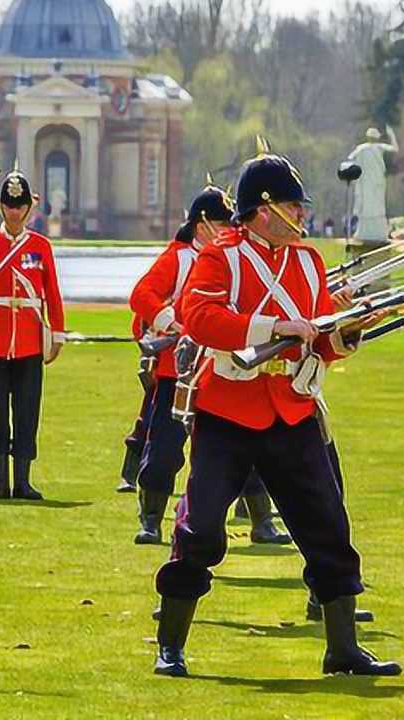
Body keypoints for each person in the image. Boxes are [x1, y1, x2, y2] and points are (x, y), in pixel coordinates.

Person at [151, 150, 399, 678]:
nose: (302, 215)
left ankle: (343, 649)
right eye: (293, 205)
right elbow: (201, 318)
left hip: (291, 410)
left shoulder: (308, 261)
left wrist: (347, 331)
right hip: (228, 411)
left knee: (328, 528)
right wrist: (273, 328)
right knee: (201, 533)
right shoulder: (221, 256)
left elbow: (318, 336)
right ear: (265, 209)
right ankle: (170, 644)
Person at [128, 179, 286, 545]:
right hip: (179, 369)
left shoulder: (238, 258)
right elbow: (143, 295)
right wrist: (174, 323)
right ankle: (151, 518)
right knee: (165, 449)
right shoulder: (179, 258)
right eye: (224, 224)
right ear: (203, 226)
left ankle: (262, 520)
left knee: (243, 445)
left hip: (224, 370)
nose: (232, 229)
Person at [0, 166, 66, 501]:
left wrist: (57, 335)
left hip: (29, 341)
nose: (15, 211)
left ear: (28, 209)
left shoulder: (40, 246)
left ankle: (22, 479)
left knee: (26, 411)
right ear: (1, 207)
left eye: (20, 206)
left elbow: (52, 292)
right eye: (9, 205)